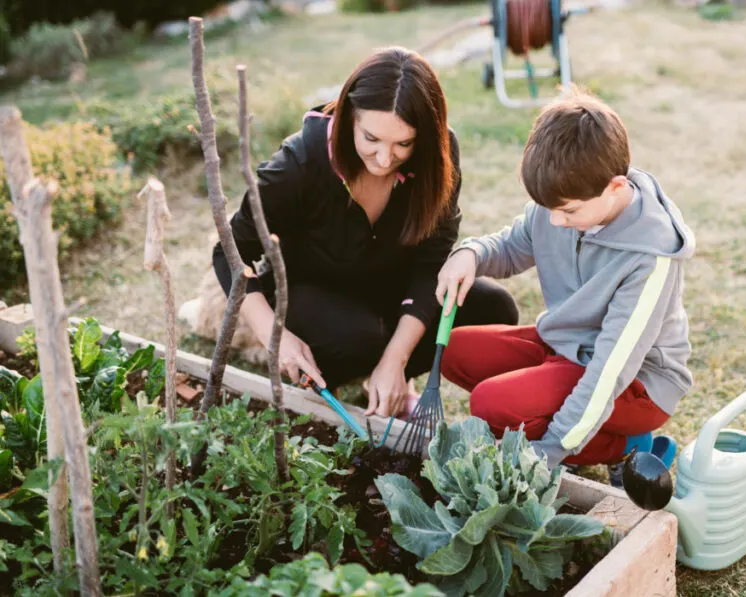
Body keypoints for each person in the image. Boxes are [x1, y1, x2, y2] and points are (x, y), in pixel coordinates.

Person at [212, 46, 518, 419]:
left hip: (391, 290)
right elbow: (229, 251)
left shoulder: (438, 156)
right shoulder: (299, 163)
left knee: (493, 307)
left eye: (403, 143)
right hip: (313, 295)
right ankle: (336, 371)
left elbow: (430, 263)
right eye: (371, 139)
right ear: (348, 118)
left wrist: (397, 360)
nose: (385, 159)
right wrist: (275, 337)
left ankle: (388, 379)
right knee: (359, 338)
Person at [435, 88, 694, 476]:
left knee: (491, 404)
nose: (555, 221)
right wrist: (469, 253)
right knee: (455, 350)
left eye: (568, 211)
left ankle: (625, 445)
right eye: (549, 209)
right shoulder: (563, 201)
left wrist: (549, 451)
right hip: (566, 346)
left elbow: (610, 371)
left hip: (636, 383)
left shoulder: (649, 257)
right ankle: (548, 413)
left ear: (616, 188)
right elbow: (512, 246)